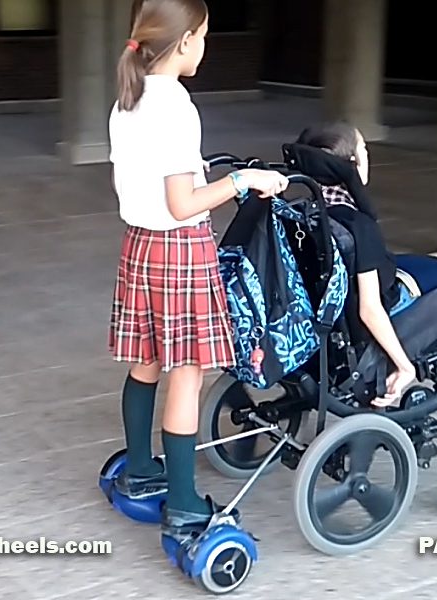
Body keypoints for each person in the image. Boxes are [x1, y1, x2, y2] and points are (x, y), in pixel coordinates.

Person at [107, 0, 290, 538]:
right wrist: (243, 181)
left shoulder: (127, 99)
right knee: (186, 375)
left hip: (139, 246)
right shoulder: (176, 106)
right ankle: (185, 503)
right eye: (204, 36)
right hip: (179, 250)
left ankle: (142, 470)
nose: (204, 47)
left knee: (145, 361)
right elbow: (183, 203)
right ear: (185, 40)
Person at [289, 122, 437, 400]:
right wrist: (404, 366)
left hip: (350, 287)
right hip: (388, 294)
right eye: (364, 150)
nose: (368, 156)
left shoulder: (303, 214)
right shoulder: (357, 225)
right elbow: (369, 309)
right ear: (352, 164)